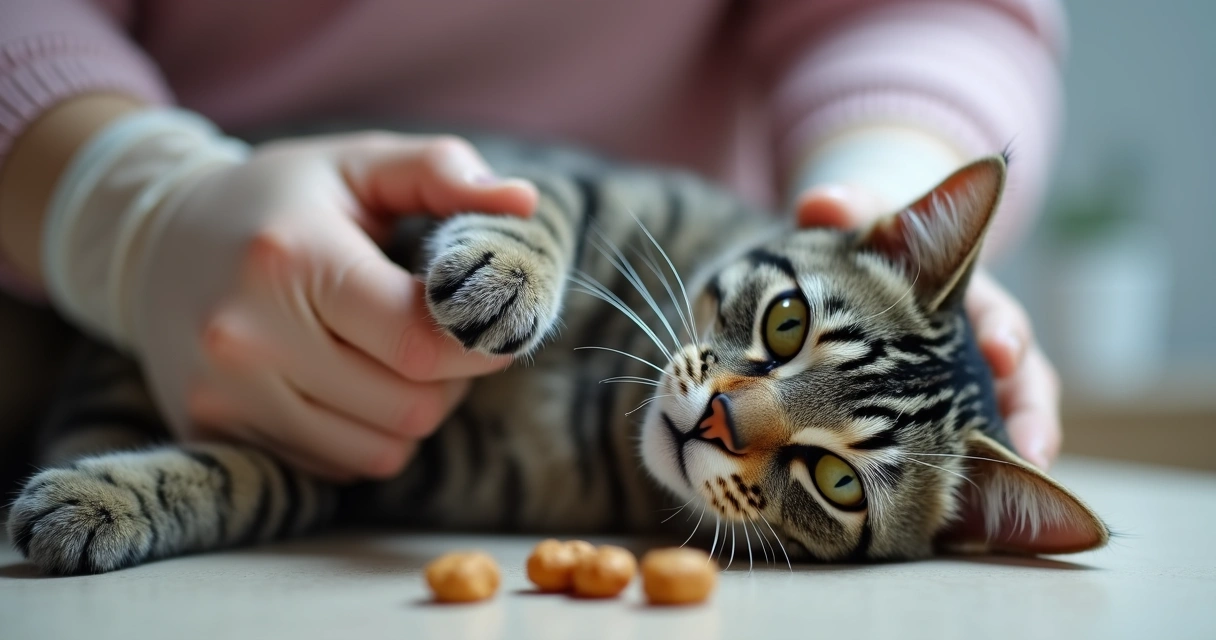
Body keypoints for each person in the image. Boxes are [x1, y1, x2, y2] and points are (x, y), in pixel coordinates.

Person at [0, 0, 1065, 482]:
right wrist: (121, 207)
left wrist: (882, 191)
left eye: (830, 475)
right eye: (786, 331)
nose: (734, 419)